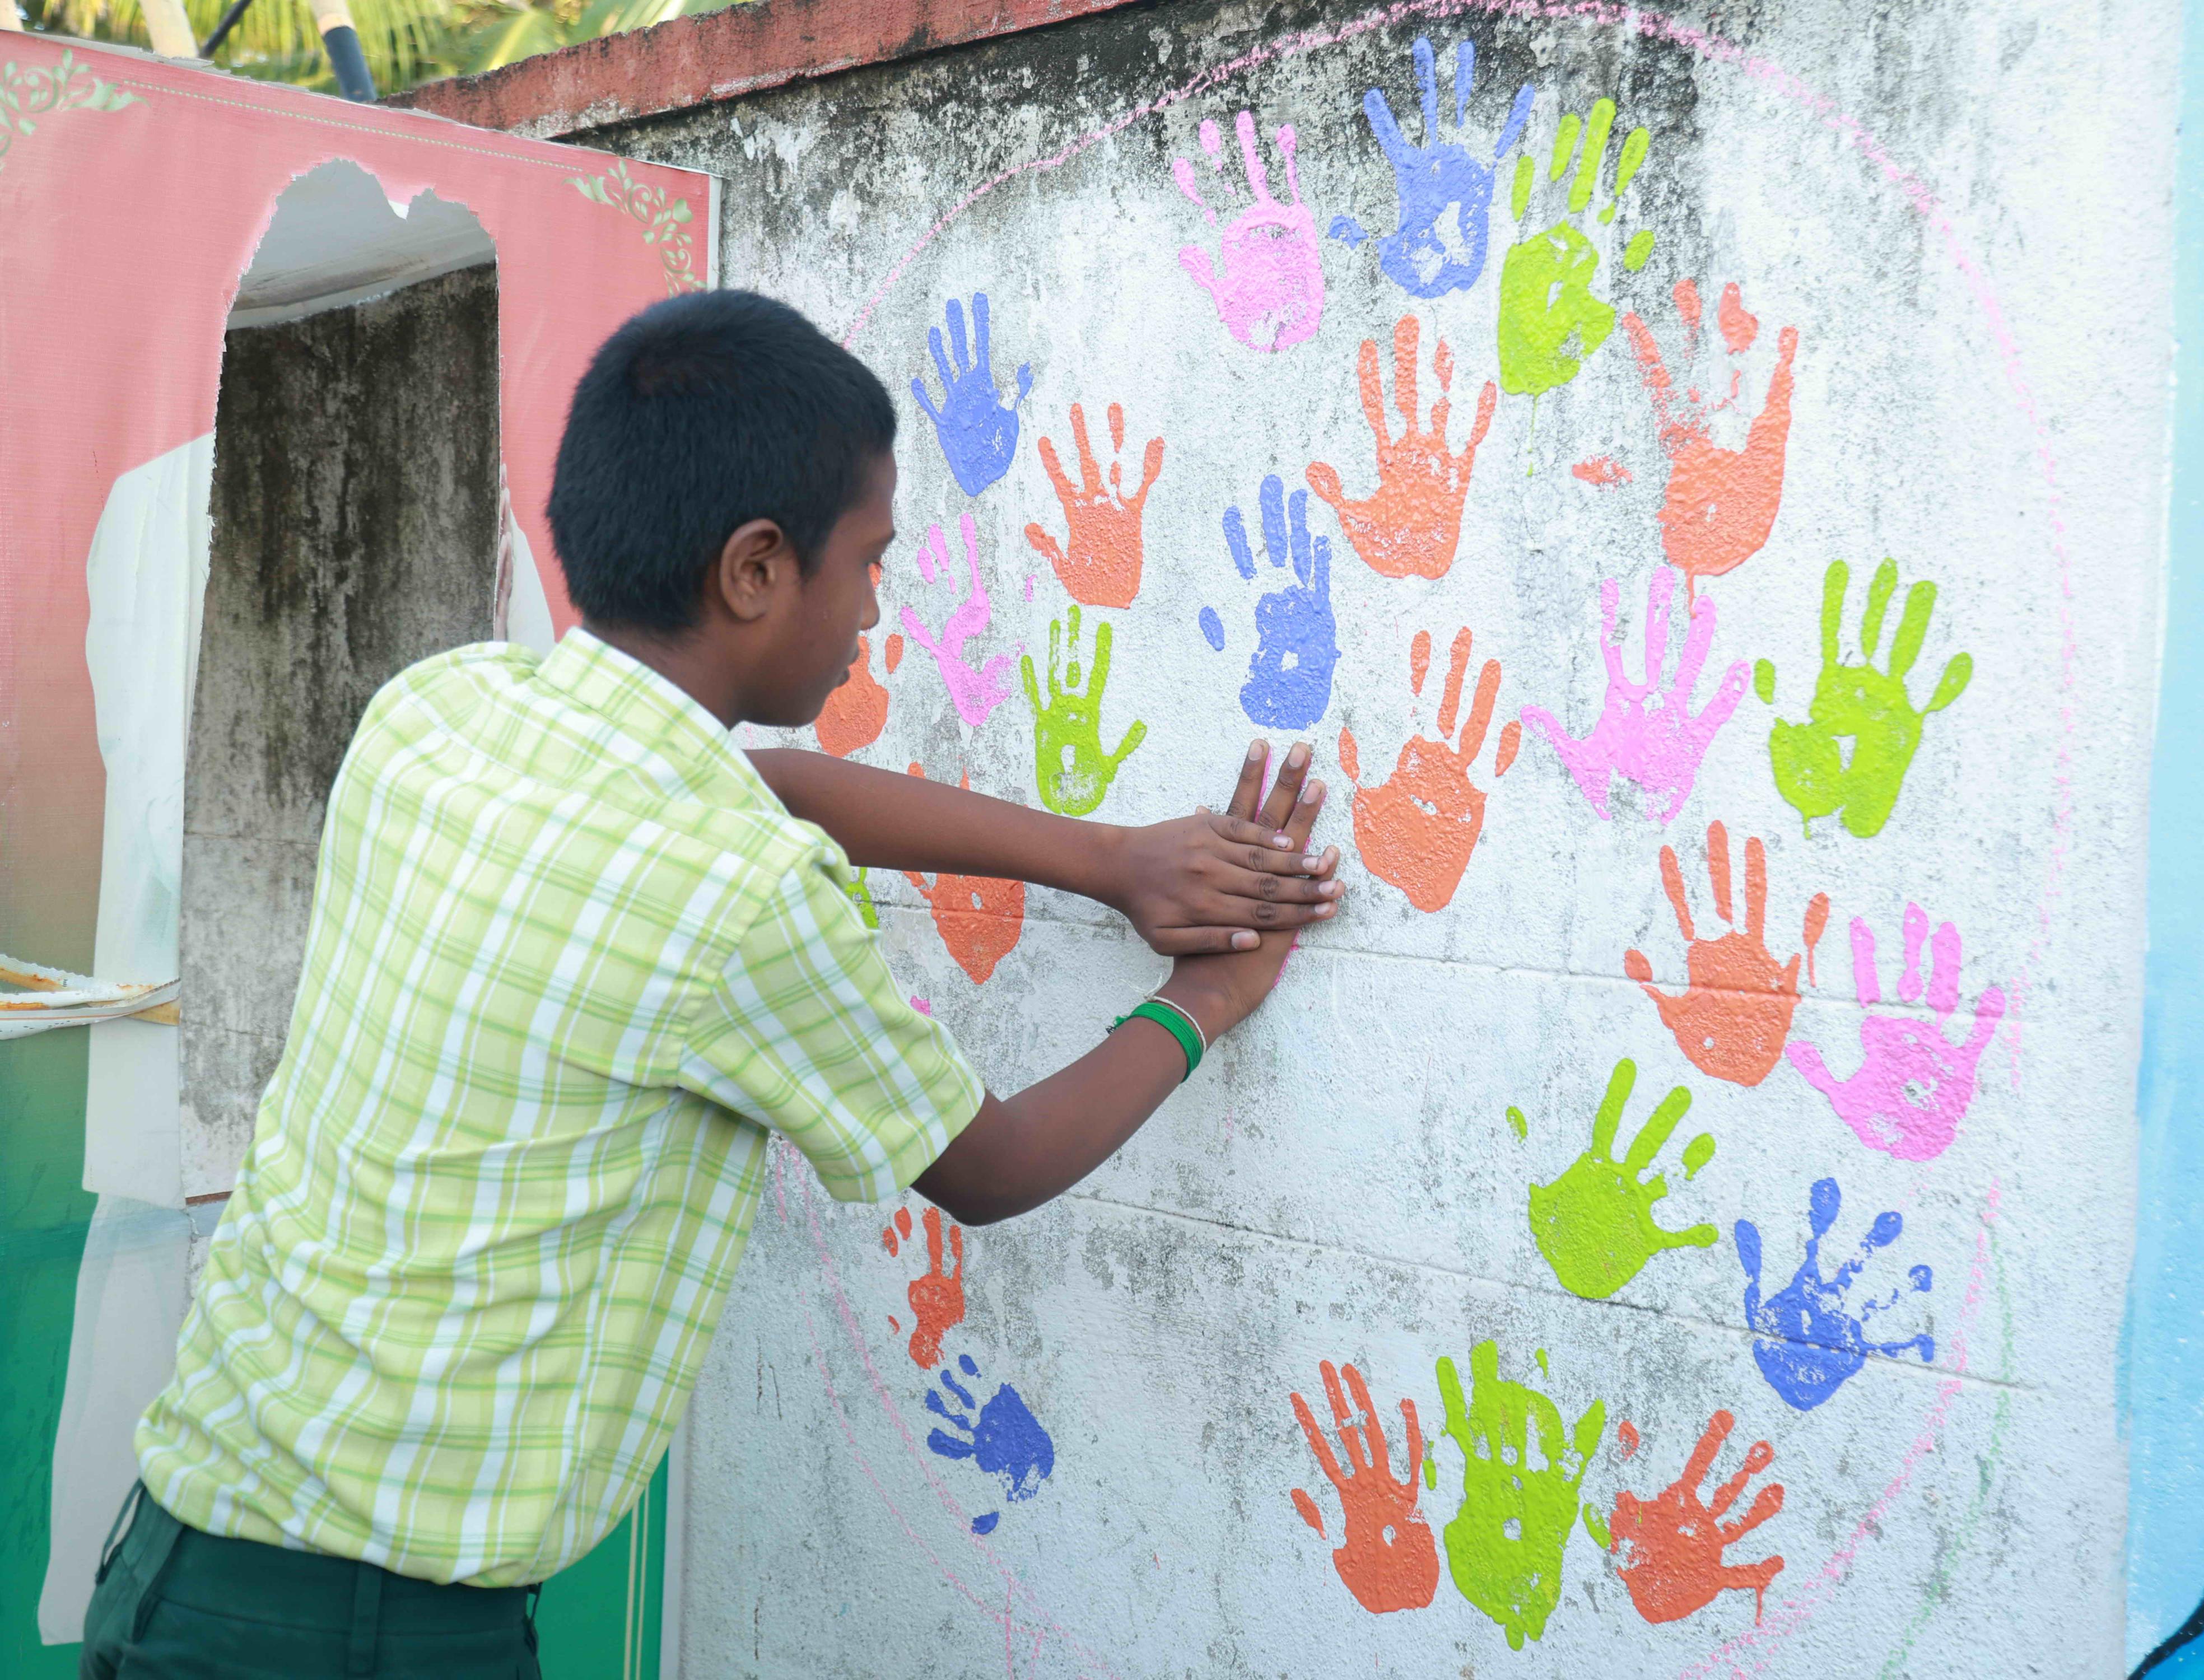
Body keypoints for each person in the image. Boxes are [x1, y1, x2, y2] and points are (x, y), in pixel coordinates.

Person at [82, 289, 1340, 1677]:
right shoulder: (739, 900)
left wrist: (1109, 862)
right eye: (867, 560)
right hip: (368, 1640)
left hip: (178, 1560)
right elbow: (989, 1162)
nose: (875, 602)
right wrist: (1206, 999)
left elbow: (752, 785)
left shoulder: (436, 713)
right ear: (755, 569)